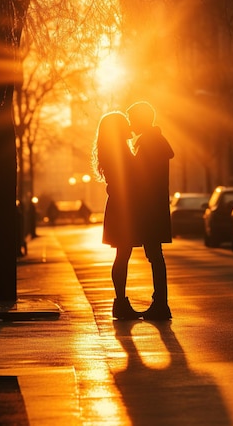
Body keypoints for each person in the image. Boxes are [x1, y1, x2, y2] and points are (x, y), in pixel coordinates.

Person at [126, 101, 175, 320]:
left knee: (154, 255)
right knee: (155, 255)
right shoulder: (155, 141)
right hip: (156, 206)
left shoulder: (148, 143)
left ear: (142, 119)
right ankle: (160, 302)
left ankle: (161, 304)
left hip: (149, 207)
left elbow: (138, 176)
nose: (130, 124)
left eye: (132, 119)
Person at [92, 111, 142, 320]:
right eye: (125, 123)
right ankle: (120, 303)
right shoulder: (119, 152)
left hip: (118, 206)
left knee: (122, 255)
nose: (129, 126)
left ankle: (120, 302)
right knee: (122, 255)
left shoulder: (111, 150)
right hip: (123, 208)